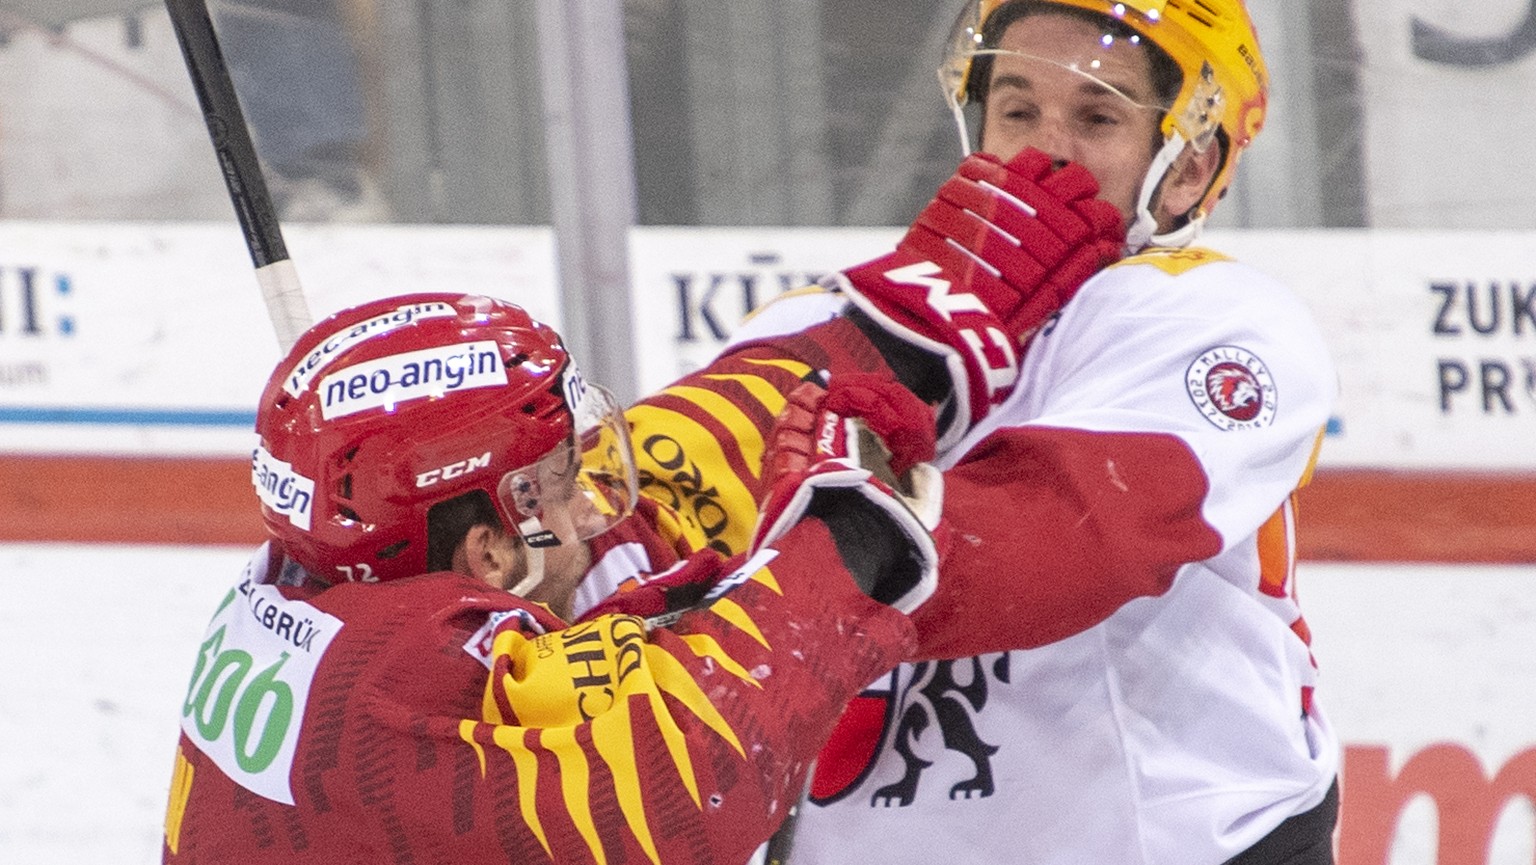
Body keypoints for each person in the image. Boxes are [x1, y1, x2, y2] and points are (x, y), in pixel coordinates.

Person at [721, 1, 1342, 863]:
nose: (1043, 150)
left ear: (1189, 165)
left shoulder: (1219, 319)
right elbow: (657, 527)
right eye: (1016, 110)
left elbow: (1071, 536)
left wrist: (820, 550)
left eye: (1097, 117)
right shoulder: (826, 320)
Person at [162, 293, 946, 864]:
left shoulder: (299, 590)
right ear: (491, 556)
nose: (588, 508)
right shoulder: (410, 677)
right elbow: (684, 781)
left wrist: (882, 335)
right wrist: (851, 540)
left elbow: (590, 661)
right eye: (565, 478)